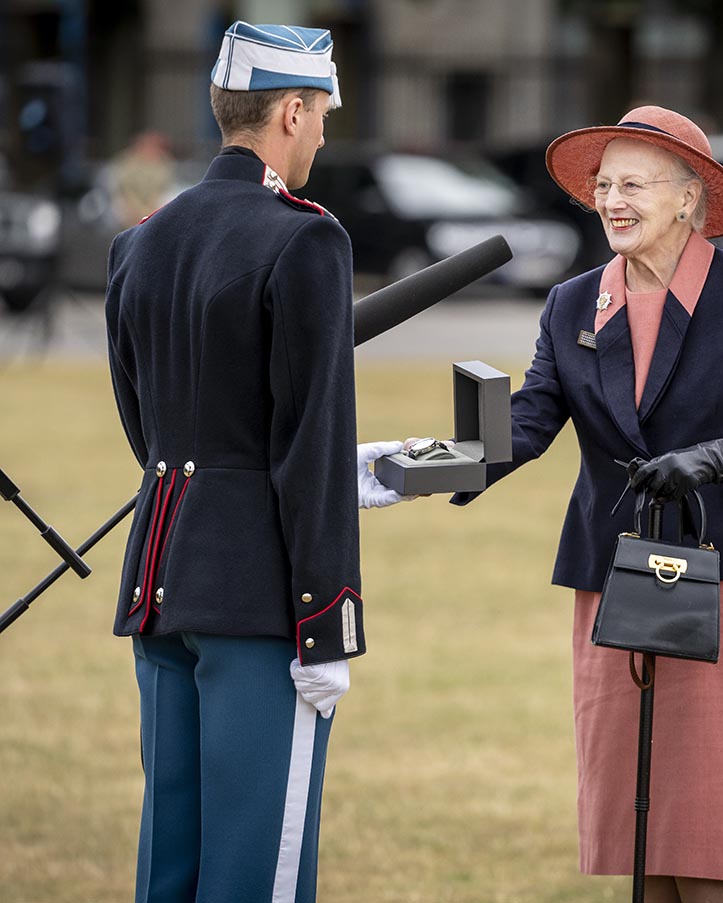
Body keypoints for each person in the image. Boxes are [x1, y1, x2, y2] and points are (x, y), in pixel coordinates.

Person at [451, 106, 723, 903]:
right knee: (643, 846)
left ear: (689, 199)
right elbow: (530, 420)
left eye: (633, 183)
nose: (612, 199)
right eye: (603, 184)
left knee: (709, 845)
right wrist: (443, 462)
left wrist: (721, 455)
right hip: (617, 587)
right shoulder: (570, 303)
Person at [105, 22, 408, 903]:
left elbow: (153, 428)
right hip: (261, 600)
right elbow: (305, 437)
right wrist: (329, 622)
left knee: (175, 861)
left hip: (162, 583)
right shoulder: (306, 239)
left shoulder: (141, 242)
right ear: (289, 109)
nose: (321, 133)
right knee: (255, 873)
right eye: (319, 115)